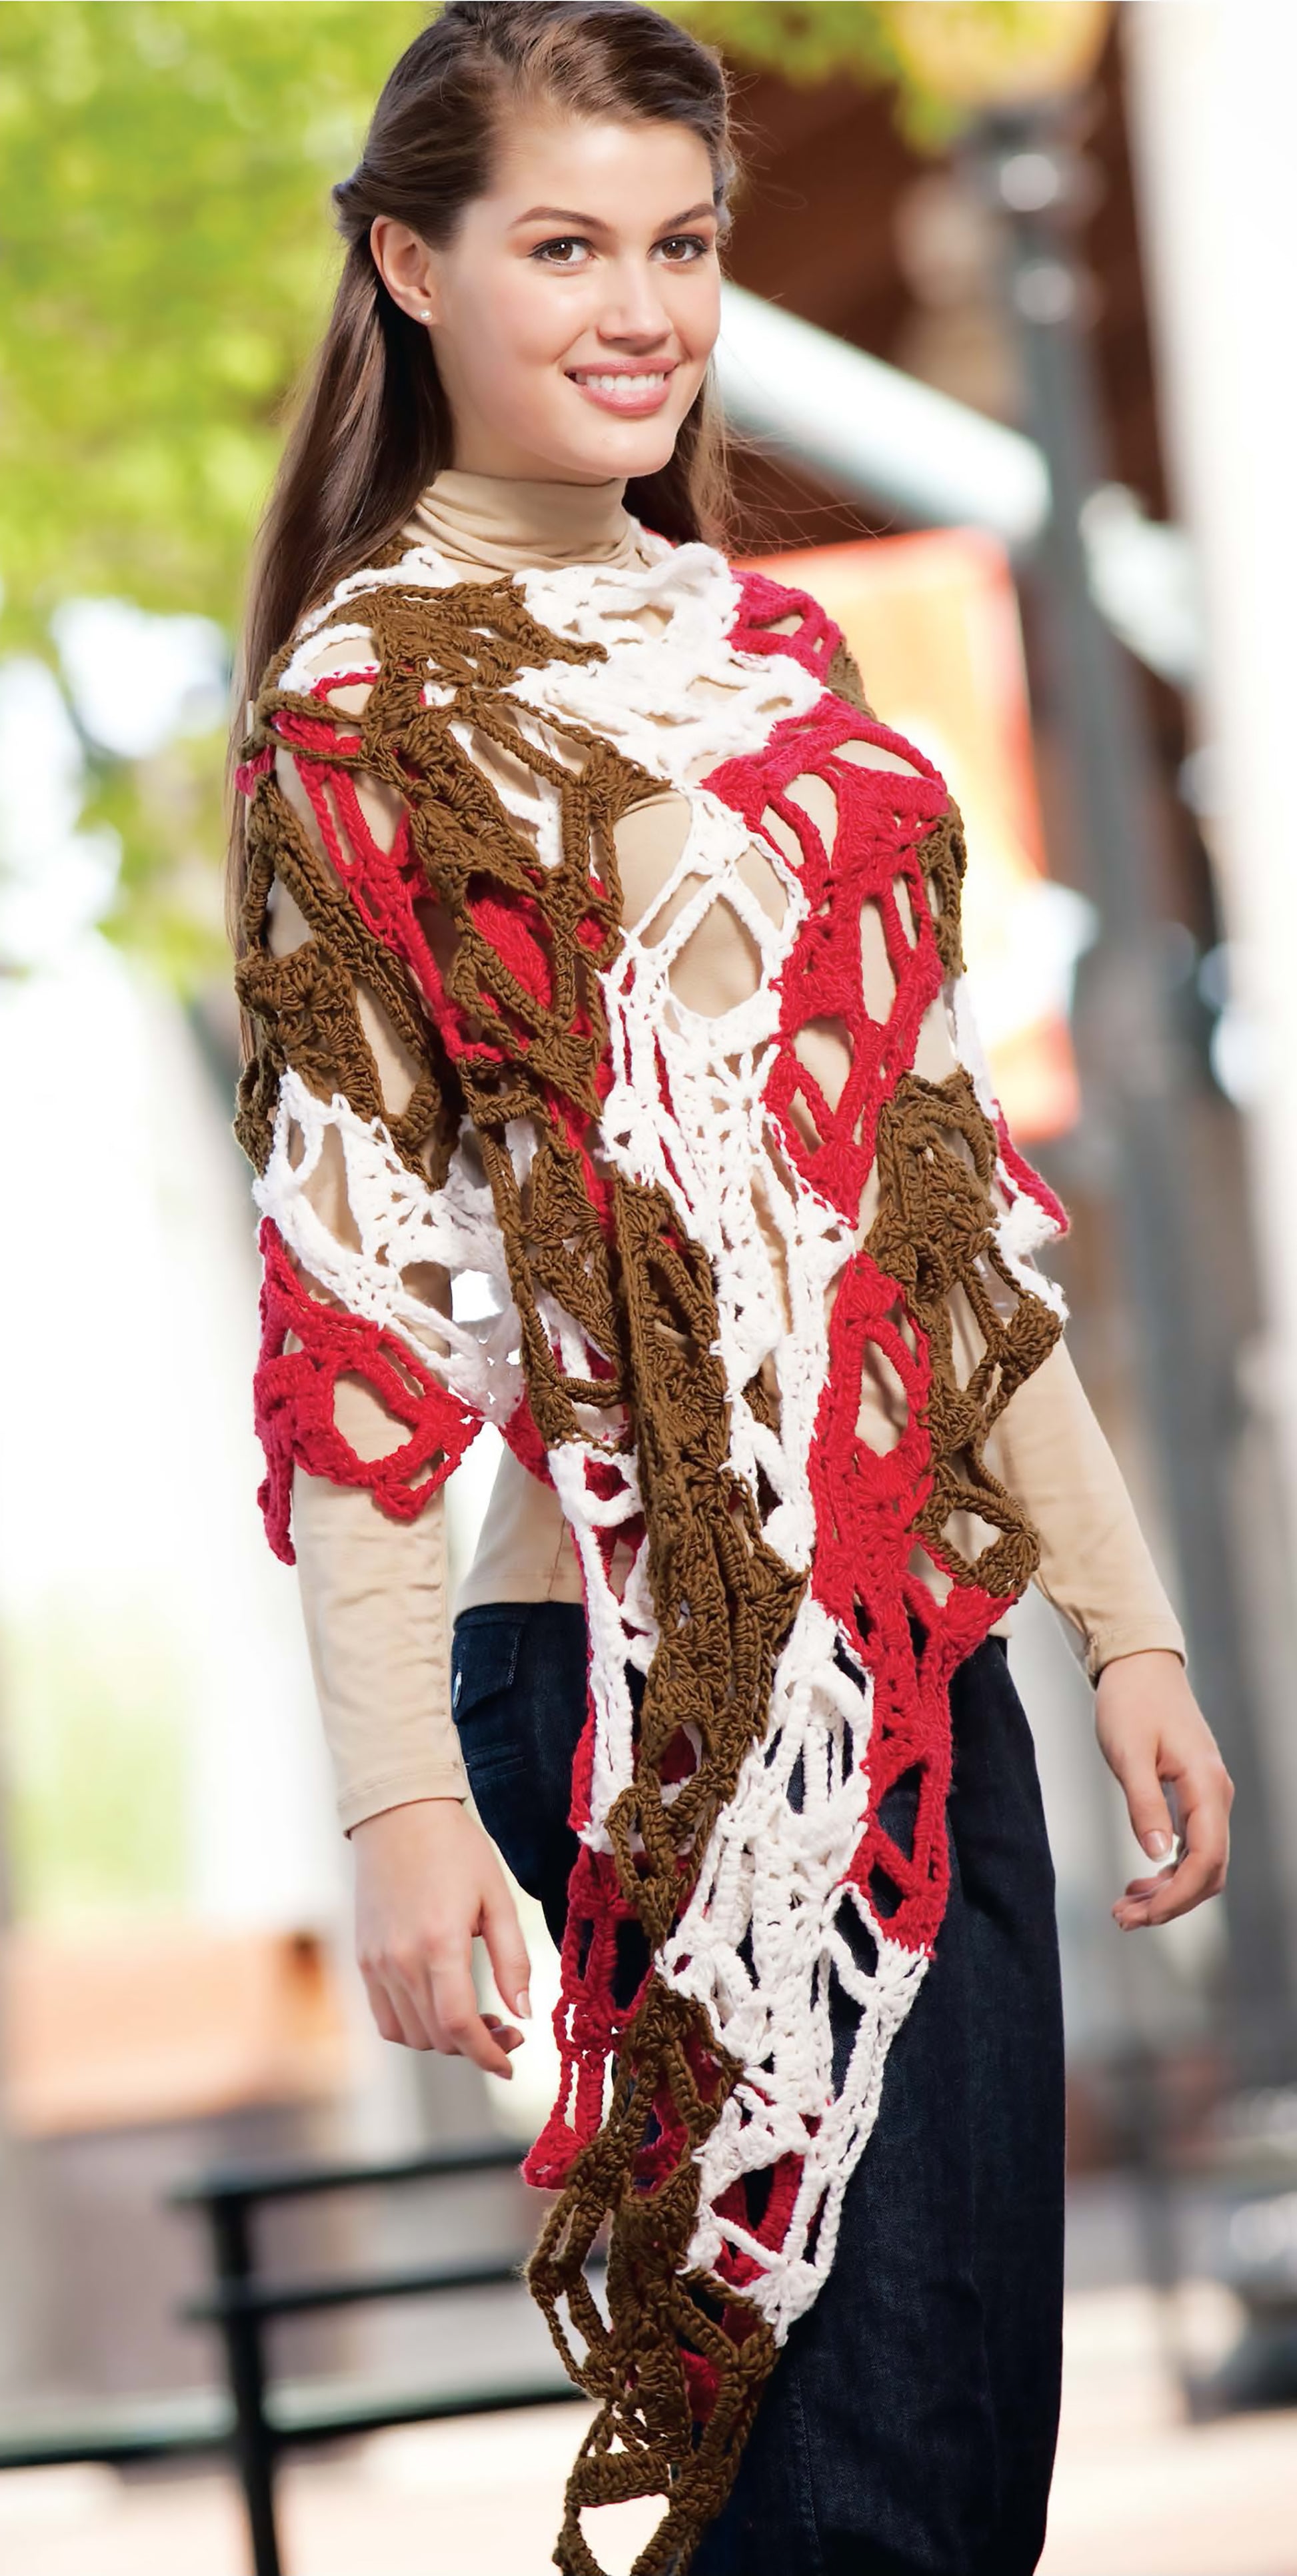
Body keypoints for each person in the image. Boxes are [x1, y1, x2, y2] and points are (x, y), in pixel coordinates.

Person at [226, 8, 1234, 2571]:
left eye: (677, 244)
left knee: (944, 2483)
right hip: (628, 1713)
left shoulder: (783, 671)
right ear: (410, 264)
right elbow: (362, 1306)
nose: (640, 304)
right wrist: (398, 1795)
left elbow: (931, 1204)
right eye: (562, 244)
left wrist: (1116, 1626)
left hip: (915, 1671)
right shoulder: (359, 707)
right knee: (832, 2499)